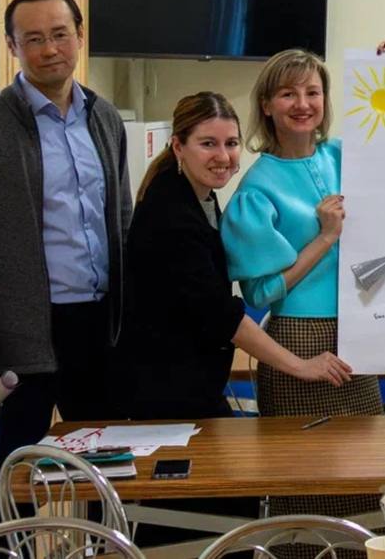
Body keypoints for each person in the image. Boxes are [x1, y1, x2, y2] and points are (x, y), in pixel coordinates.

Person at [0, 0, 131, 531]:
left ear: (79, 35)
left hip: (99, 332)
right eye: (33, 38)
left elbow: (122, 224)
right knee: (14, 488)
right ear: (13, 46)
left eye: (60, 34)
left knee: (108, 483)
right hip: (19, 341)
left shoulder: (105, 119)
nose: (50, 49)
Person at [222, 47, 385, 525]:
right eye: (287, 94)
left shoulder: (342, 154)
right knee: (307, 487)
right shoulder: (258, 186)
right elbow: (261, 293)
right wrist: (325, 237)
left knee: (364, 480)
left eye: (312, 92)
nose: (302, 104)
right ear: (266, 105)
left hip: (358, 335)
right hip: (300, 339)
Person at [121, 91, 351, 421]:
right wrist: (300, 365)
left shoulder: (199, 197)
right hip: (166, 391)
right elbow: (222, 314)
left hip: (193, 382)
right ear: (178, 146)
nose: (223, 156)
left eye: (231, 143)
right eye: (208, 144)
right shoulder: (170, 215)